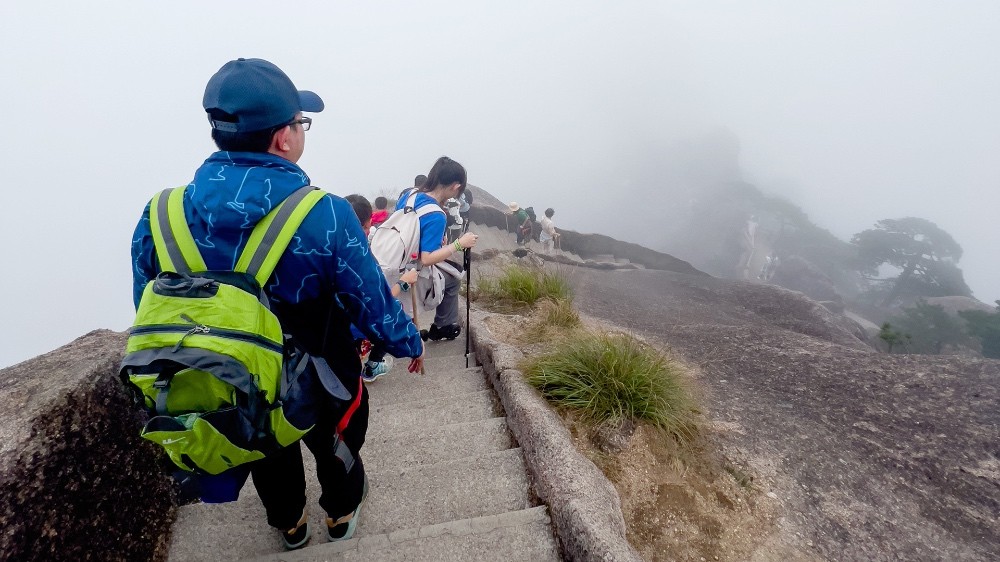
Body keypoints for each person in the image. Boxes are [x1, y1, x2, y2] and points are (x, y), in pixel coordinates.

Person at [129, 58, 424, 551]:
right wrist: (409, 342)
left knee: (265, 443)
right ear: (283, 138)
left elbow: (150, 307)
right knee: (336, 443)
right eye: (300, 121)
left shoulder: (161, 213)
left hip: (236, 376)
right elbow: (370, 301)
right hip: (322, 372)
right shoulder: (324, 214)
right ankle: (340, 513)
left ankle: (290, 524)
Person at [397, 157, 479, 341]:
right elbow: (426, 259)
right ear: (456, 186)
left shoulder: (409, 196)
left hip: (393, 261)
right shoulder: (436, 214)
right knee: (454, 277)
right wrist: (459, 244)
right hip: (411, 270)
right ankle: (443, 325)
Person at [344, 194, 419, 380]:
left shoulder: (326, 250)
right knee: (394, 312)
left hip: (322, 335)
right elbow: (380, 304)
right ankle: (373, 364)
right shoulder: (363, 261)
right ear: (367, 225)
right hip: (352, 331)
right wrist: (403, 282)